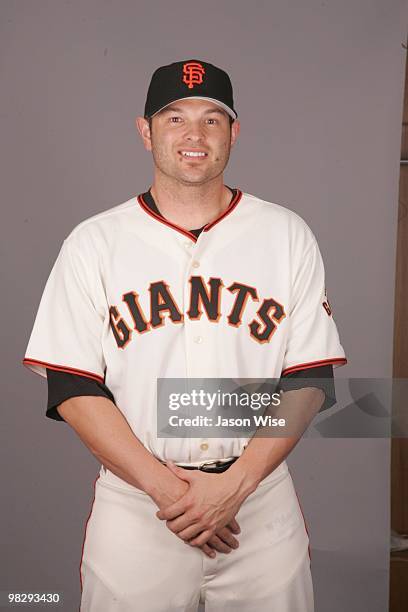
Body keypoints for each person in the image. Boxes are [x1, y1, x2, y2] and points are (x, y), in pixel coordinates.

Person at [23, 59, 347, 611]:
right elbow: (73, 389)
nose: (194, 135)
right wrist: (173, 493)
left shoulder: (285, 234)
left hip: (258, 504)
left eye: (212, 119)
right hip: (138, 506)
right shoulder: (94, 242)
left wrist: (236, 487)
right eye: (174, 118)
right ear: (145, 131)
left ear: (233, 133)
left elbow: (308, 380)